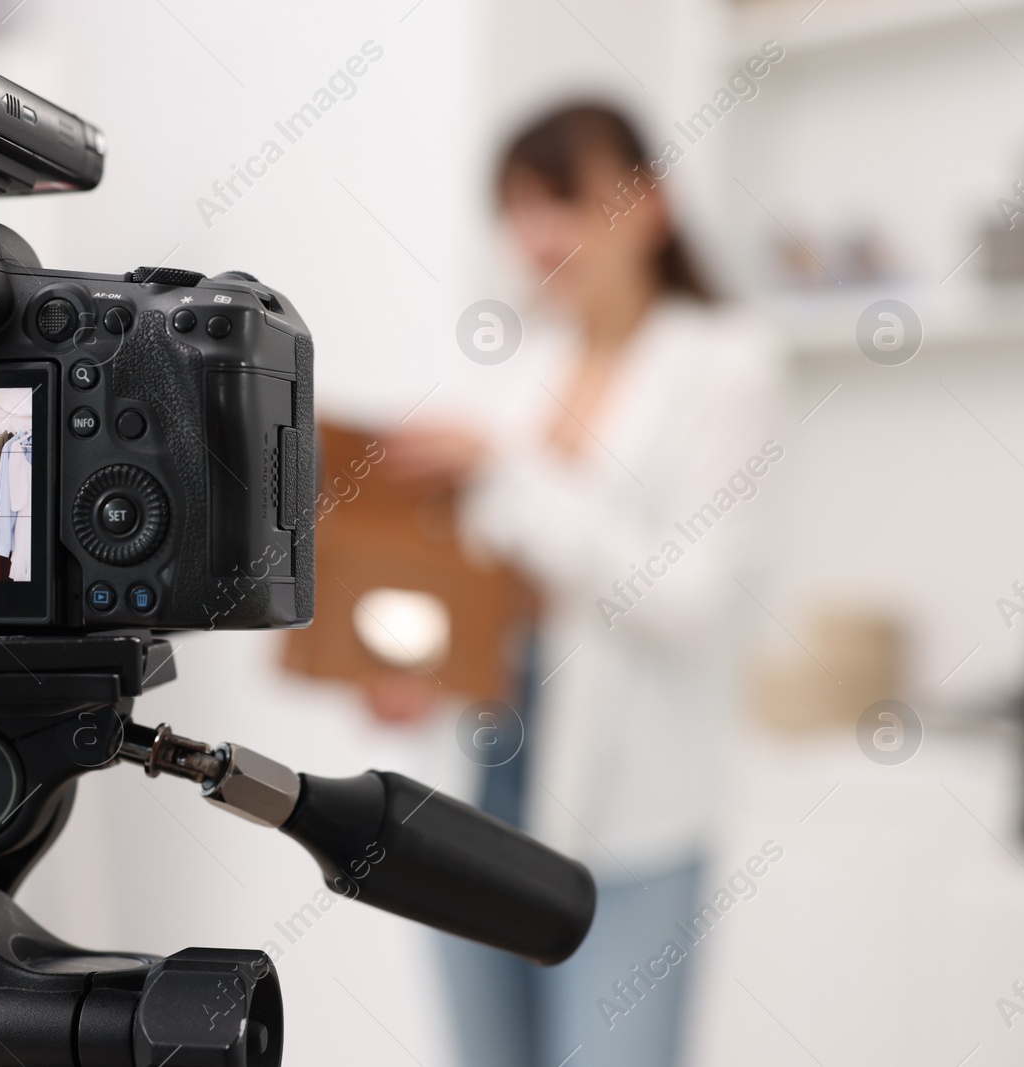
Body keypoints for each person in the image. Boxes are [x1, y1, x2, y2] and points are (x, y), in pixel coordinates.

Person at [381, 104, 781, 1066]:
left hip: (630, 813)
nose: (541, 236)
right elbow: (481, 578)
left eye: (566, 202)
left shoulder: (726, 365)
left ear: (650, 207)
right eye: (519, 210)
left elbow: (690, 600)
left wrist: (507, 473)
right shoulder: (514, 367)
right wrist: (404, 659)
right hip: (478, 788)